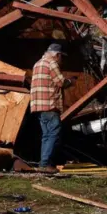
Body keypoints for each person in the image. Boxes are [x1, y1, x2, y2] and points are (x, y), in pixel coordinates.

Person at [30, 43, 73, 172]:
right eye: (61, 57)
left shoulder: (37, 64)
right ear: (57, 55)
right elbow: (61, 82)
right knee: (54, 133)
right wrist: (71, 81)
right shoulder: (51, 63)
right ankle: (45, 164)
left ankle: (44, 163)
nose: (62, 60)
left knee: (46, 135)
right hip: (49, 105)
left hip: (38, 106)